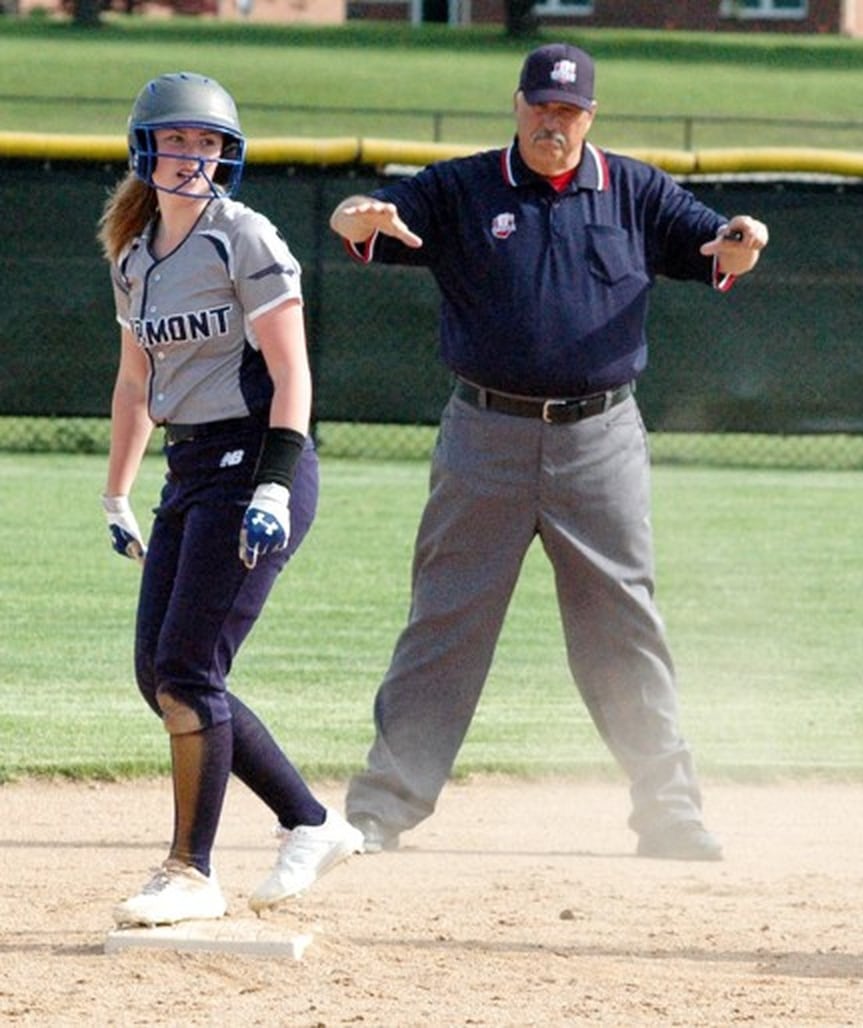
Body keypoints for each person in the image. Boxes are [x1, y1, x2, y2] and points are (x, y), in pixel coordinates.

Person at [329, 43, 768, 862]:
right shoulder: (463, 188)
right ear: (517, 104)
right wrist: (356, 216)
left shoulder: (633, 189)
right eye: (540, 107)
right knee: (445, 623)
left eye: (567, 111)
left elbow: (715, 242)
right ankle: (381, 810)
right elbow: (370, 216)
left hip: (600, 438)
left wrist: (742, 241)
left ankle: (669, 815)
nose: (551, 123)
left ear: (589, 117)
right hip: (483, 436)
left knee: (623, 629)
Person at [100, 72, 364, 926]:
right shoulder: (135, 257)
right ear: (146, 149)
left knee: (187, 670)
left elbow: (292, 373)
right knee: (162, 675)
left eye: (209, 143)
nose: (193, 157)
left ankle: (189, 871)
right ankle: (312, 823)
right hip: (189, 472)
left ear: (228, 155)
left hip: (255, 466)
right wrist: (117, 493)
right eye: (177, 140)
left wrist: (278, 487)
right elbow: (137, 380)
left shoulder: (241, 237)